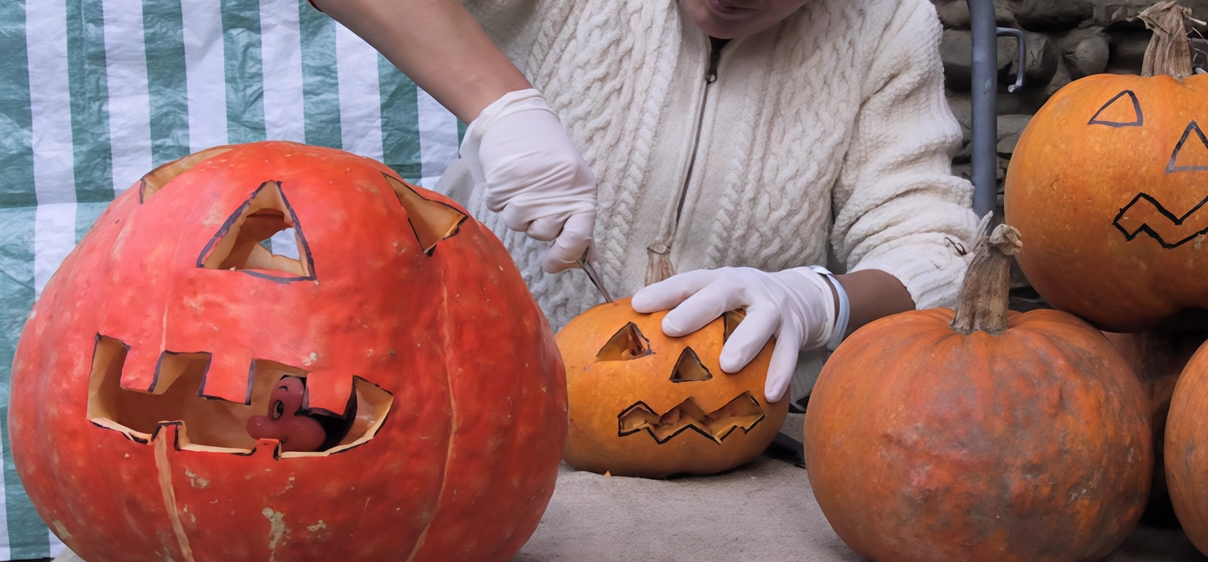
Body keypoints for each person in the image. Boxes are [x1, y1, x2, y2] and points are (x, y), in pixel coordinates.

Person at [313, 0, 979, 403]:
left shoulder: (889, 23)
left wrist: (819, 300)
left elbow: (935, 251)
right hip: (479, 399)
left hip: (740, 447)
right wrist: (502, 107)